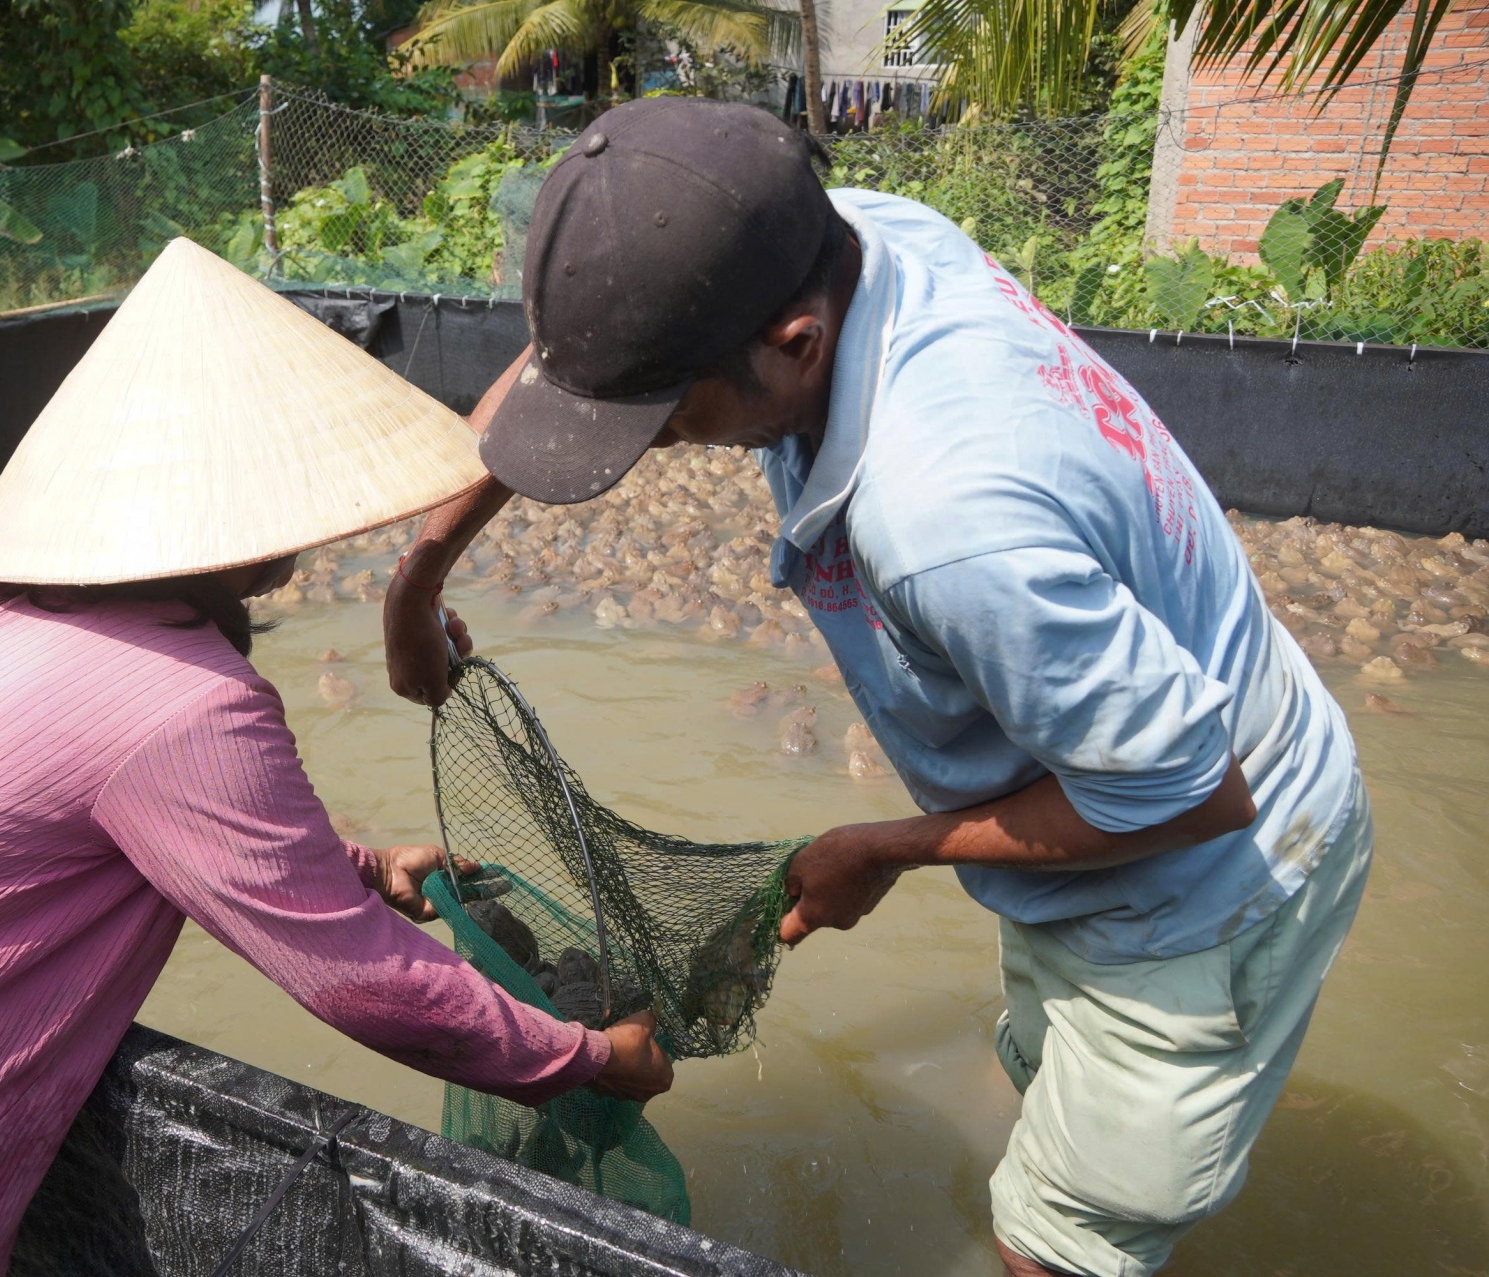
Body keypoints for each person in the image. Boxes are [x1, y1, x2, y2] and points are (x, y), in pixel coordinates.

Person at [382, 98, 1368, 1277]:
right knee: (1043, 1088)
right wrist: (417, 579)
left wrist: (885, 847)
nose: (648, 446)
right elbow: (576, 363)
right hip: (1101, 772)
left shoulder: (944, 521)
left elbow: (1197, 792)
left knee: (1055, 1248)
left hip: (1214, 871)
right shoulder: (823, 234)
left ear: (796, 341)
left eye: (667, 414)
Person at [0, 239, 670, 1277]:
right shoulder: (190, 700)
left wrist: (360, 868)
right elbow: (359, 978)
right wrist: (585, 1057)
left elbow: (90, 821)